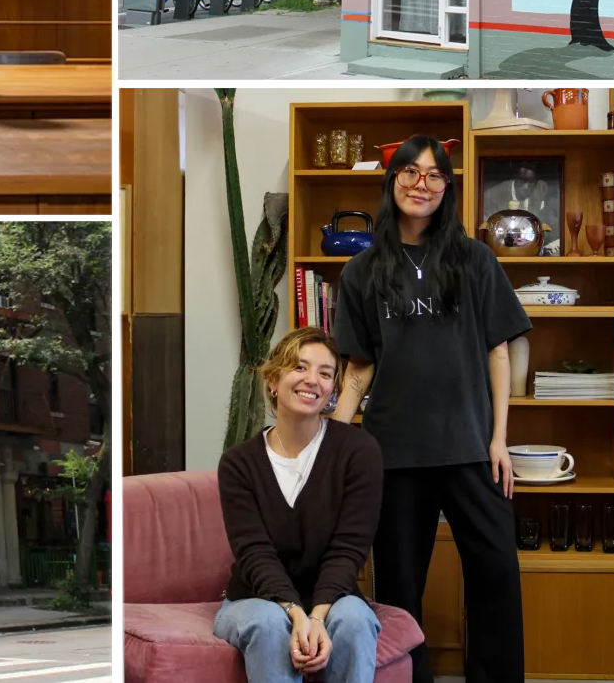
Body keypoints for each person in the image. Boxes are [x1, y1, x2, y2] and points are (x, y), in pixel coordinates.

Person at [333, 135, 532, 683]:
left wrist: (499, 439)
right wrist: (333, 446)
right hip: (394, 454)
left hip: (472, 448)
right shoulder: (362, 271)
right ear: (391, 180)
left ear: (447, 187)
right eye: (410, 172)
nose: (421, 184)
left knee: (497, 577)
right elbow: (359, 368)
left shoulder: (475, 260)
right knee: (399, 592)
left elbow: (498, 351)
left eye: (434, 175)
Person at [214, 325, 384, 683]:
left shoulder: (358, 451)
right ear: (273, 380)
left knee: (354, 620)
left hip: (334, 597)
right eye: (299, 367)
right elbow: (254, 552)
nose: (312, 380)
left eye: (325, 374)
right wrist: (294, 612)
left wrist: (317, 615)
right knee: (268, 624)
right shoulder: (238, 464)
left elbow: (349, 549)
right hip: (256, 599)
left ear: (332, 390)